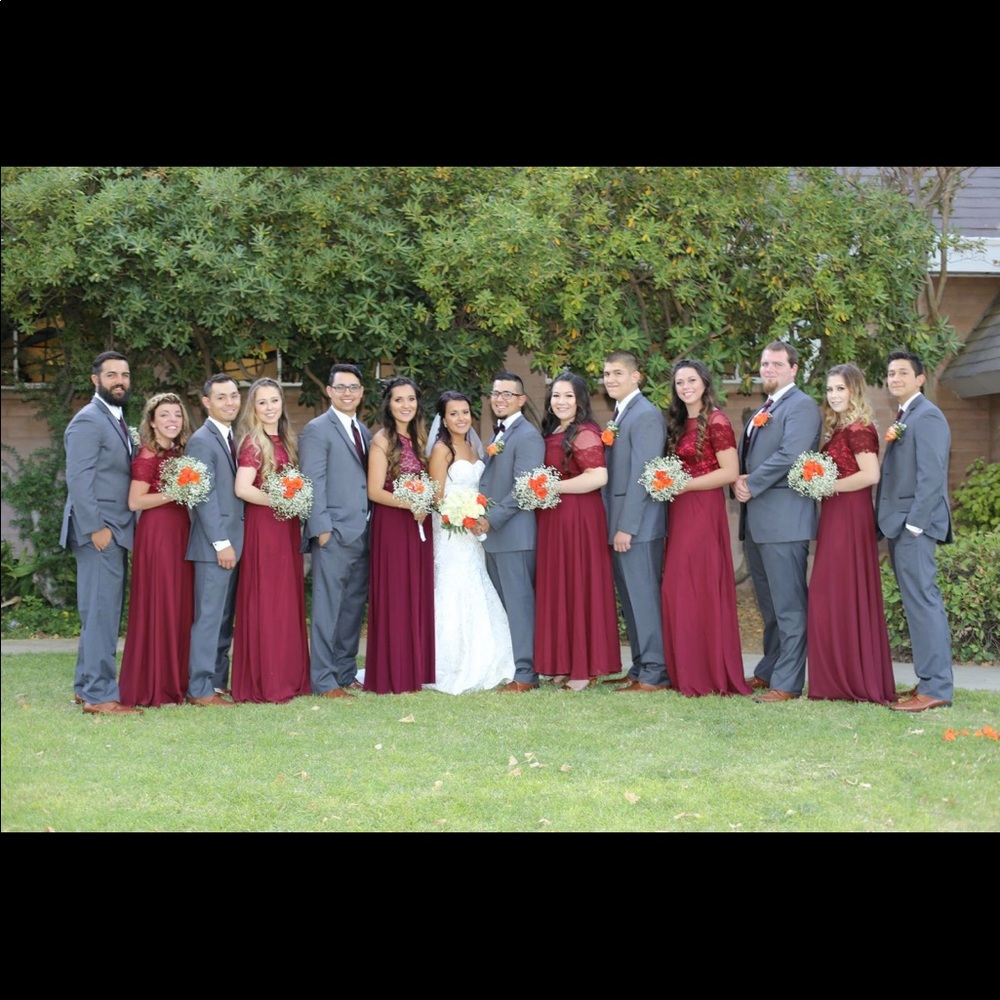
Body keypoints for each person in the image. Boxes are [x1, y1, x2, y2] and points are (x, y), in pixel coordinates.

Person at [734, 341, 821, 702]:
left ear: (794, 369)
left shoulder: (801, 406)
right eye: (764, 364)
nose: (768, 370)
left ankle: (787, 683)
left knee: (788, 606)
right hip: (759, 522)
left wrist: (750, 483)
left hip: (785, 521)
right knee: (768, 604)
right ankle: (770, 669)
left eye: (776, 364)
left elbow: (791, 454)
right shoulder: (766, 408)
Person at [662, 360, 750, 697]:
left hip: (702, 510)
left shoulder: (717, 420)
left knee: (698, 586)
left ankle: (707, 672)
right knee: (677, 589)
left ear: (705, 383)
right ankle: (685, 669)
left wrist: (684, 484)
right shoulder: (678, 423)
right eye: (680, 382)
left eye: (691, 380)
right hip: (680, 510)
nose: (685, 387)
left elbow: (730, 471)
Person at [60, 351, 140, 715]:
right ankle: (98, 695)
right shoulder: (88, 420)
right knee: (102, 614)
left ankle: (84, 686)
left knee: (98, 613)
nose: (119, 380)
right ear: (96, 380)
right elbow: (78, 478)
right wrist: (96, 528)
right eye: (111, 375)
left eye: (124, 374)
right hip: (100, 533)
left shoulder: (116, 419)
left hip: (114, 530)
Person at [877, 350, 954, 712]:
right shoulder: (906, 415)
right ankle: (928, 680)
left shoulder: (927, 416)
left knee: (924, 603)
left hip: (915, 528)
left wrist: (913, 525)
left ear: (920, 378)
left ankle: (936, 688)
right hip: (901, 525)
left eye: (902, 373)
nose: (895, 378)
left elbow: (932, 475)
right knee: (916, 604)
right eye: (891, 373)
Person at [534, 372, 621, 690]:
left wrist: (551, 486)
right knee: (559, 588)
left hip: (578, 518)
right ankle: (562, 663)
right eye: (556, 395)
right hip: (553, 519)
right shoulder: (554, 430)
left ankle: (583, 670)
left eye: (568, 396)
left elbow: (598, 476)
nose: (561, 401)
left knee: (578, 586)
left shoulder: (584, 431)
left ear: (580, 400)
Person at [427, 391, 515, 694]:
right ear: (444, 418)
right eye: (454, 413)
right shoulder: (442, 450)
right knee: (453, 590)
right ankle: (449, 664)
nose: (462, 418)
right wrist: (459, 515)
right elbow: (436, 499)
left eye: (465, 412)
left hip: (474, 533)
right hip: (451, 534)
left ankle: (488, 658)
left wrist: (476, 515)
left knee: (478, 585)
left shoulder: (476, 446)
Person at [231, 378, 310, 703]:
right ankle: (267, 680)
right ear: (254, 407)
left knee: (286, 599)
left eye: (273, 401)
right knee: (267, 600)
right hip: (264, 527)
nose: (269, 407)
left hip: (287, 526)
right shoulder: (253, 441)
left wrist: (295, 499)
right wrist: (278, 499)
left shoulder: (287, 439)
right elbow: (242, 488)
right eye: (262, 402)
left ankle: (289, 674)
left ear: (281, 403)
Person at [118, 393, 196, 707]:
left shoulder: (181, 453)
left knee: (179, 604)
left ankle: (176, 679)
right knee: (160, 602)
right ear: (152, 421)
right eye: (164, 415)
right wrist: (174, 492)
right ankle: (153, 682)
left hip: (181, 532)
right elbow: (135, 502)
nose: (172, 421)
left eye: (177, 415)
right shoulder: (147, 455)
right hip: (158, 535)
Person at [299, 363, 370, 701]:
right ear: (329, 391)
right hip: (334, 535)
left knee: (353, 608)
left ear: (361, 392)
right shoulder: (317, 429)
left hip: (363, 534)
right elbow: (313, 482)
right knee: (328, 610)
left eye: (353, 387)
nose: (347, 393)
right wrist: (322, 529)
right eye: (341, 387)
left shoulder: (365, 431)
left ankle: (344, 671)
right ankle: (324, 680)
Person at [600, 350, 670, 692]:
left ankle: (656, 671)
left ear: (636, 376)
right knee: (630, 600)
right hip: (621, 524)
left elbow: (644, 475)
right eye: (607, 374)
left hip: (638, 527)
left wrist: (626, 526)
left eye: (617, 373)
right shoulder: (621, 415)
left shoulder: (643, 415)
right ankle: (642, 666)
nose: (610, 379)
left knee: (643, 599)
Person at [363, 376, 435, 694]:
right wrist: (412, 503)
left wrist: (426, 501)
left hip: (419, 526)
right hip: (393, 524)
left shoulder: (421, 438)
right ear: (388, 405)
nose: (405, 405)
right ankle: (393, 672)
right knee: (396, 594)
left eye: (410, 399)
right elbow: (375, 491)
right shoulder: (382, 440)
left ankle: (415, 668)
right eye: (398, 400)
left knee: (415, 593)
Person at [476, 372, 545, 692]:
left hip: (514, 536)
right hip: (495, 538)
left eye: (507, 394)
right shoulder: (499, 435)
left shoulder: (527, 436)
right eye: (495, 393)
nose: (499, 399)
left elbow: (524, 489)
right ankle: (515, 666)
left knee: (519, 607)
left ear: (520, 399)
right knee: (505, 606)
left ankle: (527, 674)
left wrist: (490, 519)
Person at [185, 375, 244, 707]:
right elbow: (202, 496)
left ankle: (218, 682)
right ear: (206, 402)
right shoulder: (201, 440)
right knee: (209, 618)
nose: (230, 402)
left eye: (234, 396)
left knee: (224, 619)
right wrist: (221, 543)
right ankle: (200, 689)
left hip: (235, 543)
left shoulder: (232, 436)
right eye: (221, 397)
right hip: (214, 548)